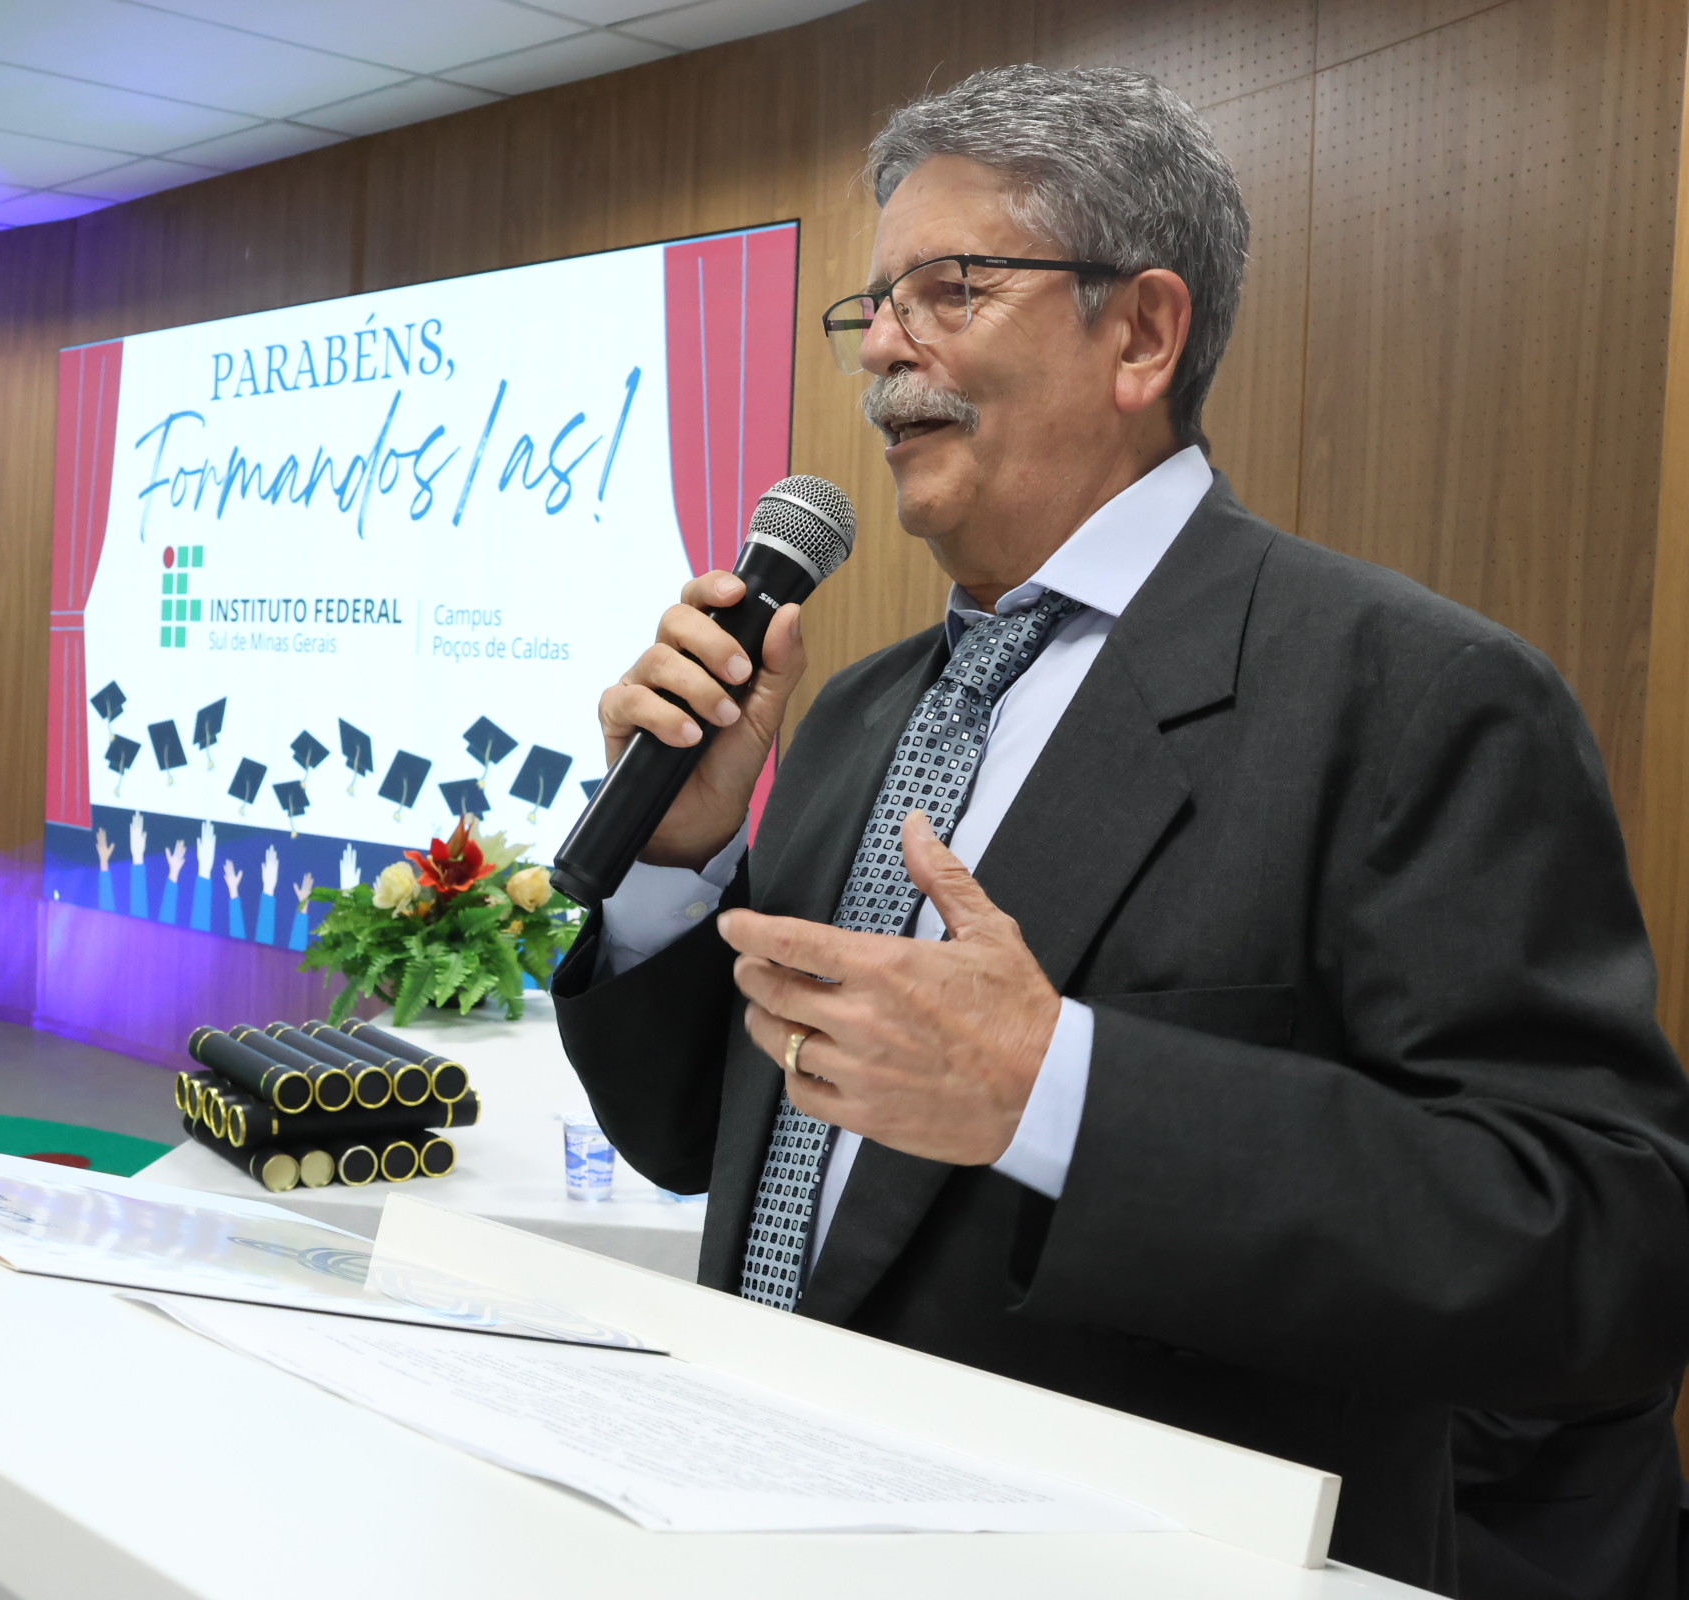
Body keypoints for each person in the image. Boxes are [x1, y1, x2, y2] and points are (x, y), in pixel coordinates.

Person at [552, 65, 1689, 1595]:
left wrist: (1056, 1089)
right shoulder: (853, 713)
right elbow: (692, 1140)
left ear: (1142, 334)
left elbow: (1598, 1252)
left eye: (950, 289)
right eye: (874, 305)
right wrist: (678, 865)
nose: (881, 347)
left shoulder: (1411, 695)